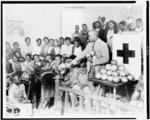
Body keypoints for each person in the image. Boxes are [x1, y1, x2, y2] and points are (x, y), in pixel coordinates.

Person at [73, 30, 109, 96]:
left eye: (89, 36)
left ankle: (99, 100)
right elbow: (83, 53)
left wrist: (93, 61)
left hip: (99, 69)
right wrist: (75, 60)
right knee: (90, 83)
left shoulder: (103, 44)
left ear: (94, 35)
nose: (88, 37)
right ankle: (93, 98)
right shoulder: (90, 44)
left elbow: (106, 58)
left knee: (100, 86)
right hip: (90, 68)